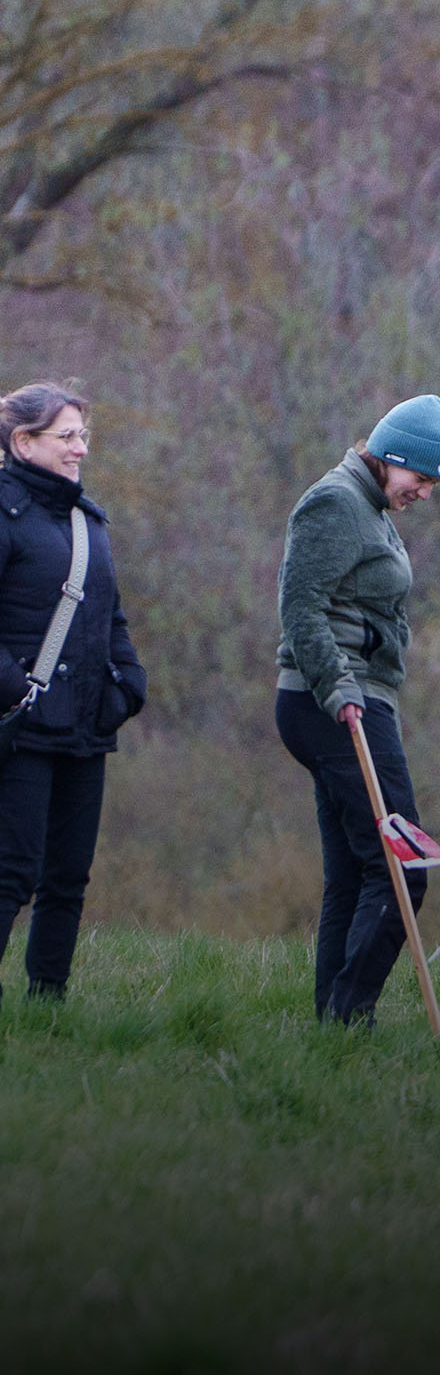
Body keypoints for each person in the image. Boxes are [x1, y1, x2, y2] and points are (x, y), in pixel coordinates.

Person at [275, 394, 440, 1026]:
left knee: (356, 876)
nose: (424, 494)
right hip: (333, 703)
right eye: (422, 478)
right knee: (404, 871)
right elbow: (300, 605)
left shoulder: (371, 506)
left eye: (434, 485)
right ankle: (351, 1019)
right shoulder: (336, 502)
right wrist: (338, 689)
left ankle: (330, 1028)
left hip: (355, 699)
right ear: (392, 456)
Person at [0, 382, 146, 1002]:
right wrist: (16, 692)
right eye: (67, 436)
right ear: (22, 442)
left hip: (87, 728)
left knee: (68, 877)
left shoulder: (88, 520)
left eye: (84, 435)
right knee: (12, 872)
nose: (81, 449)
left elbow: (110, 616)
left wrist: (127, 686)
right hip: (23, 728)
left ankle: (47, 1005)